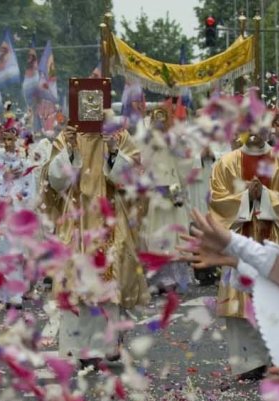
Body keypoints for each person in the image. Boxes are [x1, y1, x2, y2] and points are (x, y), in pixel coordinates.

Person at [42, 119, 147, 366]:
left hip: (109, 219)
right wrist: (69, 150)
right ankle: (77, 348)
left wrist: (113, 151)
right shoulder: (66, 135)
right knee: (75, 282)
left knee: (107, 282)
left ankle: (106, 344)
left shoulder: (119, 135)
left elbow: (134, 180)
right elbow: (54, 182)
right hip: (76, 220)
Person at [208, 128, 279, 381]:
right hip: (241, 240)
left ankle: (277, 357)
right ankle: (250, 360)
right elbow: (217, 201)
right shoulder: (227, 163)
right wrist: (245, 199)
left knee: (277, 302)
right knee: (241, 304)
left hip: (274, 240)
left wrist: (264, 196)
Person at [138, 106, 194, 294]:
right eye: (157, 119)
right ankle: (157, 277)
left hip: (174, 188)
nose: (160, 123)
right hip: (154, 190)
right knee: (156, 233)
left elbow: (184, 166)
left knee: (175, 232)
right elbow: (142, 162)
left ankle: (176, 277)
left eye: (163, 119)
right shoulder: (146, 140)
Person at [0, 124, 37, 308]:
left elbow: (30, 187)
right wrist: (3, 179)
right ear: (1, 139)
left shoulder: (24, 161)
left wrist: (20, 199)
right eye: (5, 139)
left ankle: (14, 295)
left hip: (15, 212)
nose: (8, 143)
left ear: (16, 140)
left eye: (11, 139)